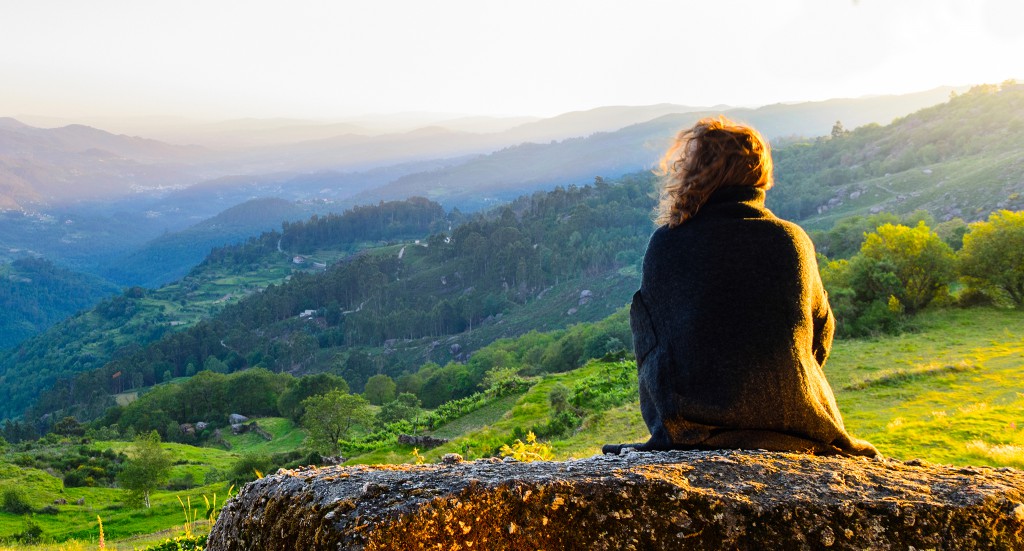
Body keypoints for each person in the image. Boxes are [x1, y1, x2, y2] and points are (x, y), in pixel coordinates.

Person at [603, 116, 877, 457]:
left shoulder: (668, 244)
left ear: (694, 173)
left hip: (692, 430)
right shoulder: (792, 240)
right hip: (801, 426)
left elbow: (651, 344)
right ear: (758, 174)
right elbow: (821, 333)